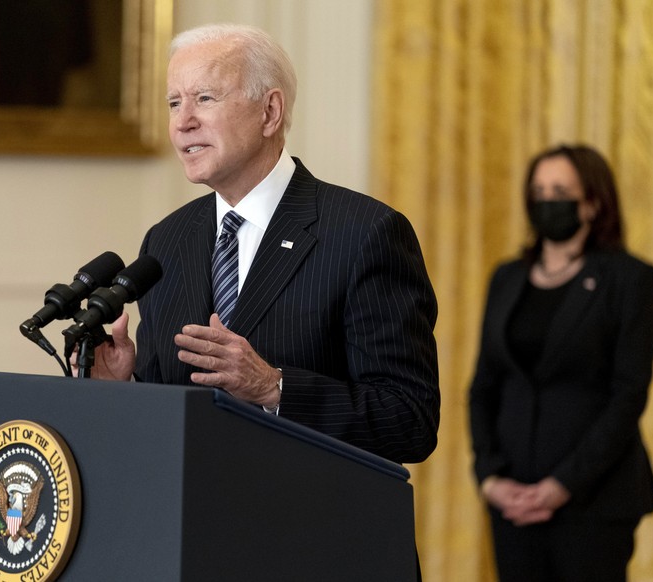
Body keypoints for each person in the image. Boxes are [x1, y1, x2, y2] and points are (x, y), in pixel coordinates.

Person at [85, 23, 441, 466]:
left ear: (270, 112)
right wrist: (125, 391)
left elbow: (409, 420)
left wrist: (273, 387)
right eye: (174, 103)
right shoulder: (166, 241)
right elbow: (171, 410)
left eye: (205, 98)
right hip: (192, 524)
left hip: (311, 525)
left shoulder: (365, 233)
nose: (182, 122)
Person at [468, 144, 653, 581]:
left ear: (592, 202)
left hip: (593, 500)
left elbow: (628, 396)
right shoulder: (508, 276)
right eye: (538, 191)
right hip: (511, 498)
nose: (546, 201)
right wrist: (490, 476)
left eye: (560, 191)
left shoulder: (630, 279)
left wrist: (562, 486)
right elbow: (484, 387)